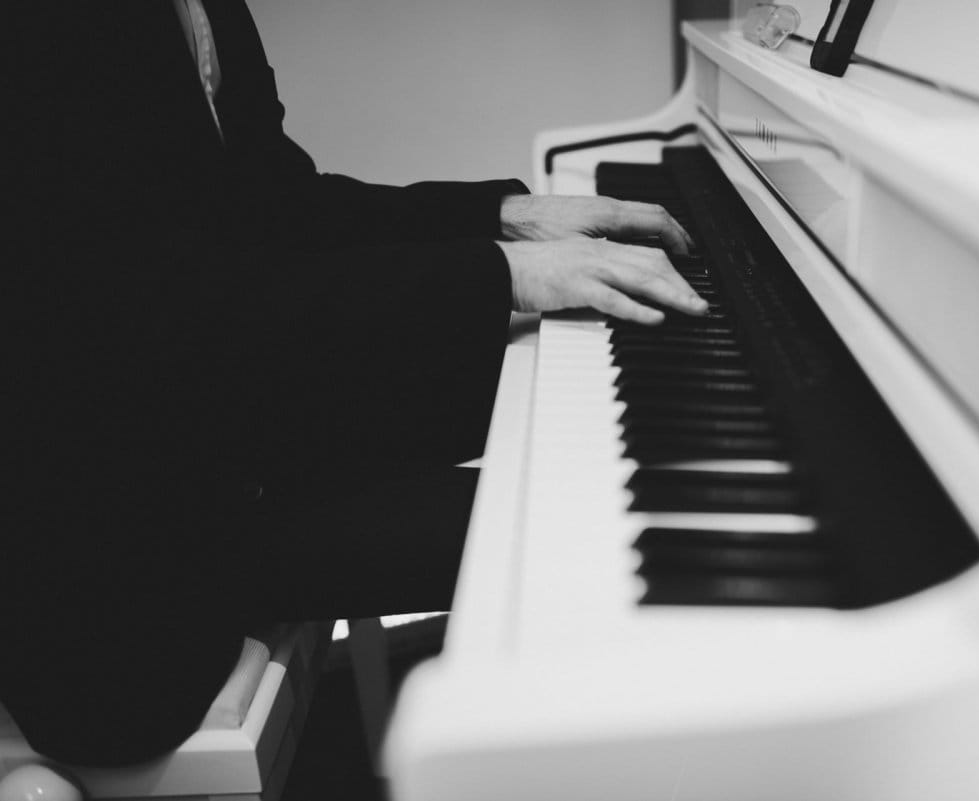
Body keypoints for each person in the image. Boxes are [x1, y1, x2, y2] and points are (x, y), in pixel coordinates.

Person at [1, 1, 706, 766]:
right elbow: (136, 309)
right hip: (114, 530)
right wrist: (499, 274)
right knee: (606, 531)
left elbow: (274, 207)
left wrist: (503, 216)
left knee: (642, 438)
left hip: (220, 413)